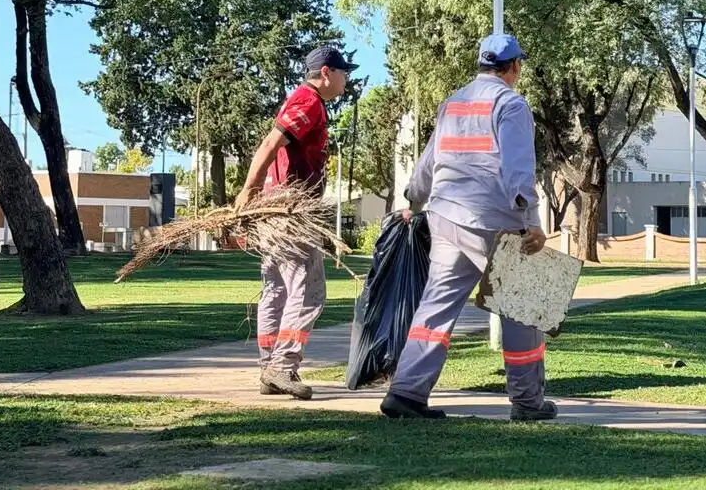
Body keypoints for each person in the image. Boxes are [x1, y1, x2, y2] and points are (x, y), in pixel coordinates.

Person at [380, 33, 556, 422]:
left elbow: (429, 161)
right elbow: (517, 170)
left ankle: (406, 392)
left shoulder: (453, 103)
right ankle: (528, 402)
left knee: (436, 305)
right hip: (493, 220)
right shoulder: (511, 104)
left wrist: (414, 198)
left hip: (445, 216)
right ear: (514, 67)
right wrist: (530, 222)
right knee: (521, 307)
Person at [234, 45, 357, 398]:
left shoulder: (303, 100)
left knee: (276, 288)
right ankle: (282, 366)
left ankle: (268, 368)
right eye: (342, 72)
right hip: (289, 211)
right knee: (308, 292)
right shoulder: (308, 102)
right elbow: (271, 142)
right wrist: (249, 188)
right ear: (326, 73)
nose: (346, 79)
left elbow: (273, 142)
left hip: (277, 209)